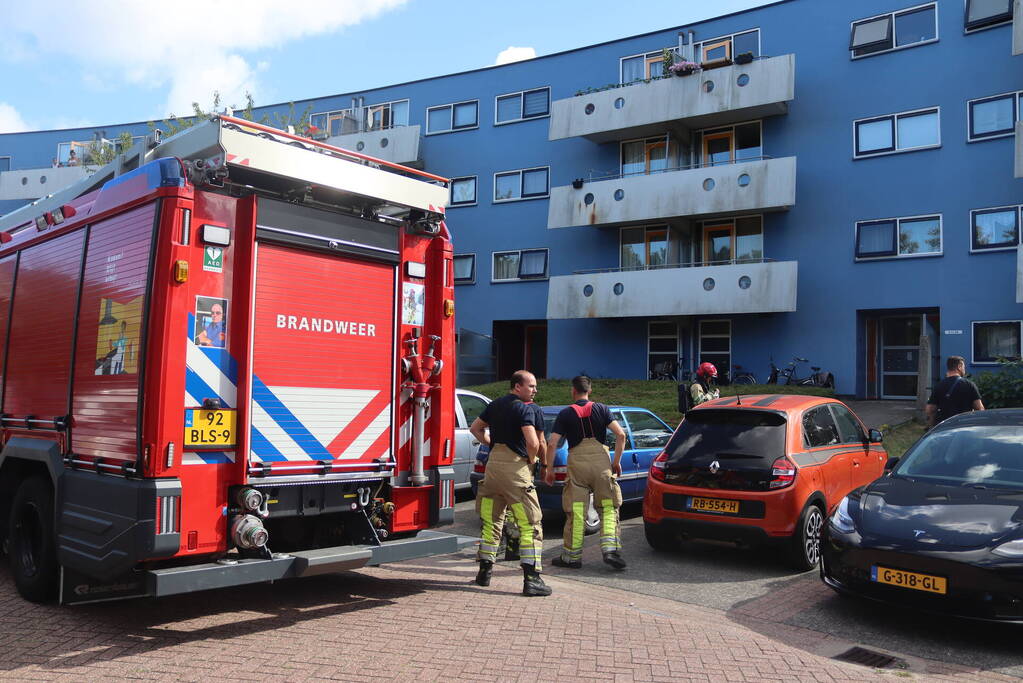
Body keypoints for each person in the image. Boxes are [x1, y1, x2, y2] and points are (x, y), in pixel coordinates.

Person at [470, 370, 552, 596]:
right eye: (531, 386)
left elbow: (475, 428)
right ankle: (532, 579)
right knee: (530, 524)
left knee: (491, 521)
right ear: (517, 387)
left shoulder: (494, 405)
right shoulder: (524, 408)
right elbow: (534, 441)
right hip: (515, 472)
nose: (535, 390)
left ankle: (484, 573)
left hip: (492, 470)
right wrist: (532, 460)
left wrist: (490, 444)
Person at [544, 375, 627, 570]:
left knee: (577, 512)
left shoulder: (565, 414)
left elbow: (552, 443)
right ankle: (610, 550)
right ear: (589, 390)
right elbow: (621, 435)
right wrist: (616, 462)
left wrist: (549, 469)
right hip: (601, 465)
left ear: (573, 391)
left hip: (578, 467)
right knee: (607, 508)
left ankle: (571, 557)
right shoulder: (602, 409)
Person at [926, 355, 984, 427]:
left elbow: (930, 410)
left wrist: (931, 427)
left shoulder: (938, 386)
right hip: (965, 425)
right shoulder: (969, 385)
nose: (964, 370)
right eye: (964, 367)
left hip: (945, 426)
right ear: (959, 366)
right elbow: (979, 408)